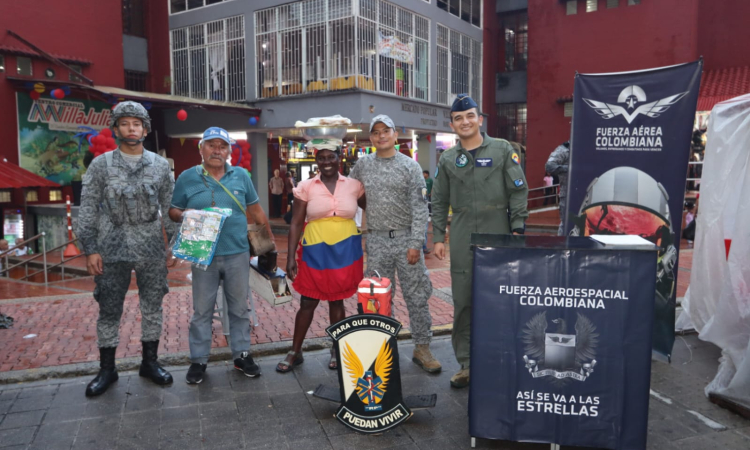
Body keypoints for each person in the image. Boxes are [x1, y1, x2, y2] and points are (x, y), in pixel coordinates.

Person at [76, 101, 177, 397]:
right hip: (111, 243)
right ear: (116, 128)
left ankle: (150, 362)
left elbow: (169, 208)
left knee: (152, 305)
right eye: (125, 123)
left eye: (136, 124)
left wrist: (174, 245)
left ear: (145, 129)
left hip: (150, 245)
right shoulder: (101, 165)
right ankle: (107, 368)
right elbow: (88, 207)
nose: (131, 129)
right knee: (108, 308)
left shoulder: (160, 166)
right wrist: (90, 248)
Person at [431, 94, 529, 388]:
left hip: (497, 230)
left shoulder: (502, 150)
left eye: (470, 116)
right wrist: (438, 236)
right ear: (452, 124)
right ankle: (467, 364)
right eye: (459, 118)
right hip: (462, 235)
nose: (465, 122)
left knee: (500, 299)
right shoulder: (448, 159)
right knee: (463, 301)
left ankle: (500, 357)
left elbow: (518, 191)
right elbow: (439, 200)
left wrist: (517, 227)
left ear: (480, 119)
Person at [169, 127, 275, 385]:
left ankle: (241, 355)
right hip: (203, 255)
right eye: (211, 145)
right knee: (202, 310)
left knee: (239, 308)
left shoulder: (240, 176)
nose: (217, 150)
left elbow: (257, 212)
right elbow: (173, 210)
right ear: (201, 149)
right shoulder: (187, 177)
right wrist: (188, 215)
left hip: (238, 253)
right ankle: (199, 360)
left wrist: (269, 245)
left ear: (229, 151)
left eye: (222, 146)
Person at [349, 114, 442, 374]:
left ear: (394, 134)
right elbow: (349, 191)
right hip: (377, 240)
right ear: (371, 138)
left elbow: (420, 207)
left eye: (385, 131)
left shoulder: (410, 166)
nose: (381, 135)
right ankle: (380, 351)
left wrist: (416, 242)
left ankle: (422, 347)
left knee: (417, 295)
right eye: (376, 132)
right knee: (377, 298)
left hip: (406, 240)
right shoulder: (363, 165)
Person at [277, 141, 365, 373]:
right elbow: (296, 223)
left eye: (331, 157)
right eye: (322, 158)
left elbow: (372, 210)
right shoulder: (305, 187)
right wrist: (289, 258)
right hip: (315, 248)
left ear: (340, 158)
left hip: (345, 250)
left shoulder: (355, 185)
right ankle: (295, 351)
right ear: (317, 160)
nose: (326, 162)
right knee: (307, 301)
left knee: (337, 300)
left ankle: (337, 347)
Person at [545, 141, 570, 235]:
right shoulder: (564, 149)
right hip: (568, 195)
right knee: (566, 225)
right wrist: (571, 168)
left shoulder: (590, 148)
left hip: (587, 194)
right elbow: (549, 166)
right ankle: (562, 248)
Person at [422, 170, 433, 254]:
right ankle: (423, 247)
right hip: (420, 211)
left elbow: (424, 197)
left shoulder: (429, 181)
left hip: (423, 210)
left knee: (424, 230)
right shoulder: (421, 182)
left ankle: (424, 247)